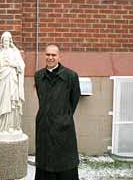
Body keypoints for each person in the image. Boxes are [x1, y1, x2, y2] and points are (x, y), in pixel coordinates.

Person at [34, 44, 81, 180]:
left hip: (63, 128)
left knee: (64, 164)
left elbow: (74, 100)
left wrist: (63, 117)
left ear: (59, 56)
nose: (50, 58)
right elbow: (41, 98)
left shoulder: (71, 76)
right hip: (44, 127)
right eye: (48, 54)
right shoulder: (38, 76)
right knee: (45, 162)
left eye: (53, 55)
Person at [0, 31, 25, 132]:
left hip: (11, 78)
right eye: (4, 40)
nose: (6, 42)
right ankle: (0, 123)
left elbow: (21, 66)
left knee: (11, 101)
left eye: (7, 40)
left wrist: (13, 64)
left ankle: (11, 125)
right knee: (0, 102)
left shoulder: (15, 52)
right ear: (2, 41)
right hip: (1, 79)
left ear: (10, 41)